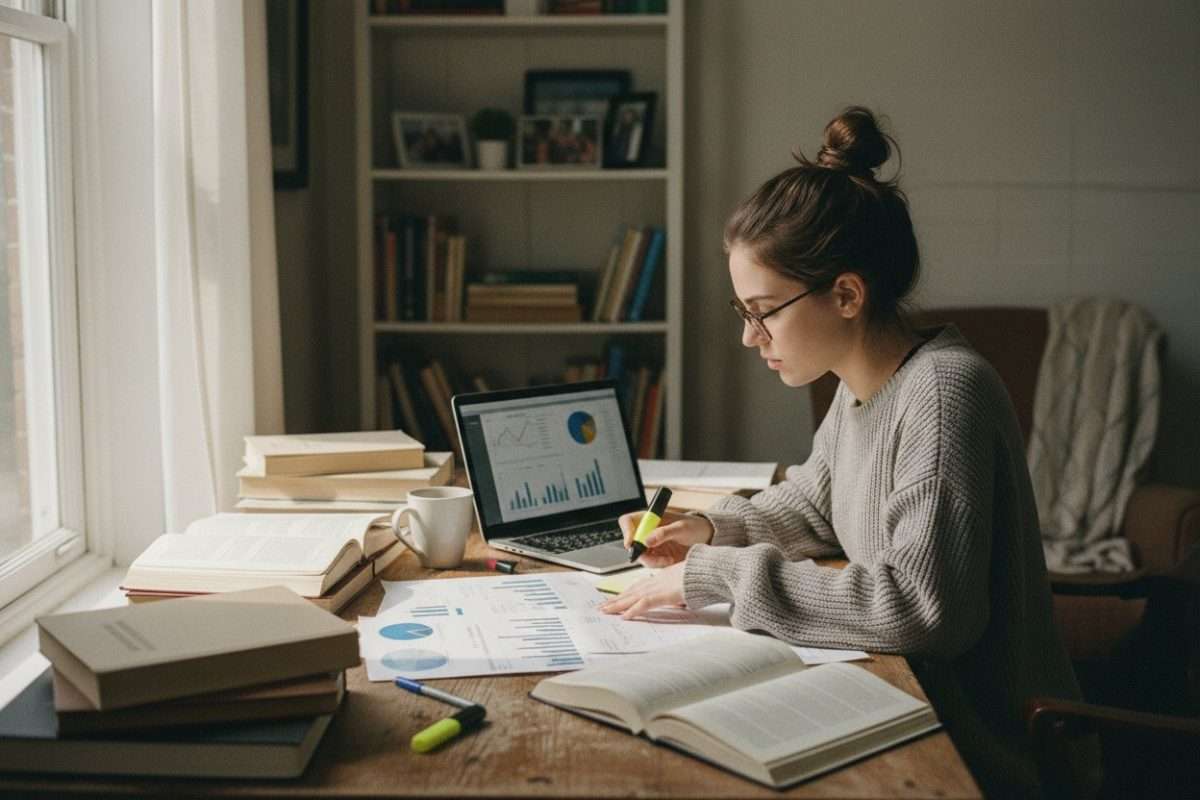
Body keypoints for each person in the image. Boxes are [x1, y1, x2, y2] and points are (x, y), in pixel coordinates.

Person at [598, 106, 1093, 798]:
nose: (751, 337)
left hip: (986, 754)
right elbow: (814, 501)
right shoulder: (863, 389)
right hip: (913, 713)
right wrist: (708, 529)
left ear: (847, 294)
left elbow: (923, 609)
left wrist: (719, 576)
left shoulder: (944, 393)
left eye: (763, 311)